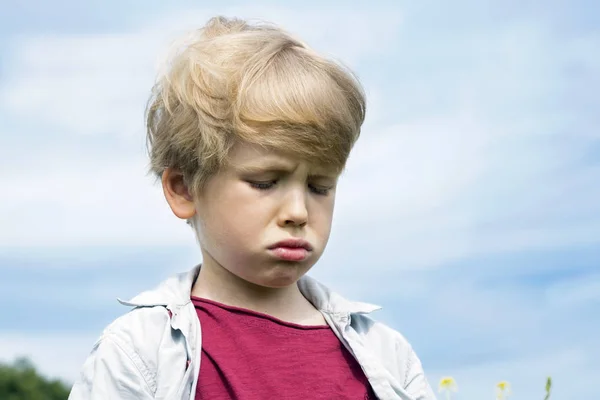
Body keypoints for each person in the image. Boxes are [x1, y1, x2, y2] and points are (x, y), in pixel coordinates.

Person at [68, 16, 436, 400]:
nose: (298, 212)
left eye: (319, 186)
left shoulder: (387, 356)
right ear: (184, 189)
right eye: (264, 182)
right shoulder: (138, 352)